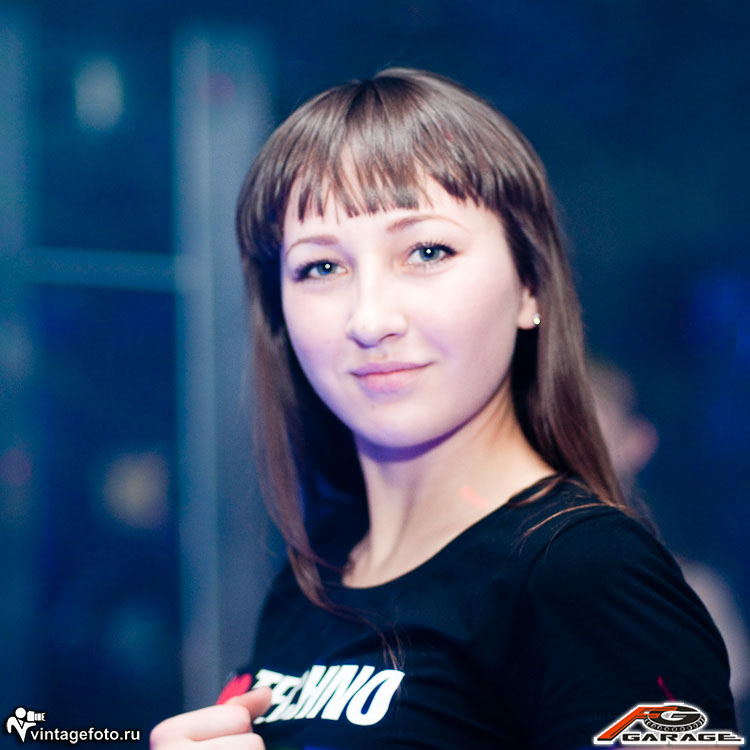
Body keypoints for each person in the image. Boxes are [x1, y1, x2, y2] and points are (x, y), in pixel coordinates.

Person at [151, 68, 738, 749]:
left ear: (530, 286)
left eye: (427, 251)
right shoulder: (320, 568)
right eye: (321, 267)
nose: (370, 319)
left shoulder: (583, 572)